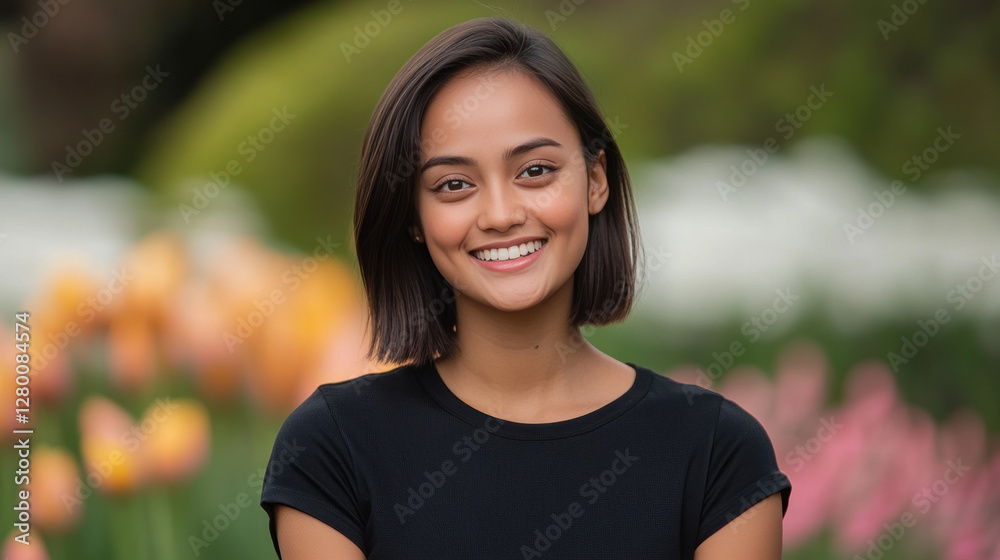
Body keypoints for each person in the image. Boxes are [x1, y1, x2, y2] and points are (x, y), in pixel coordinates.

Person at [260, 16, 791, 560]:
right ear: (413, 219)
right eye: (454, 185)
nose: (500, 214)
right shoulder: (333, 447)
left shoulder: (717, 452)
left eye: (535, 171)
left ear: (596, 180)